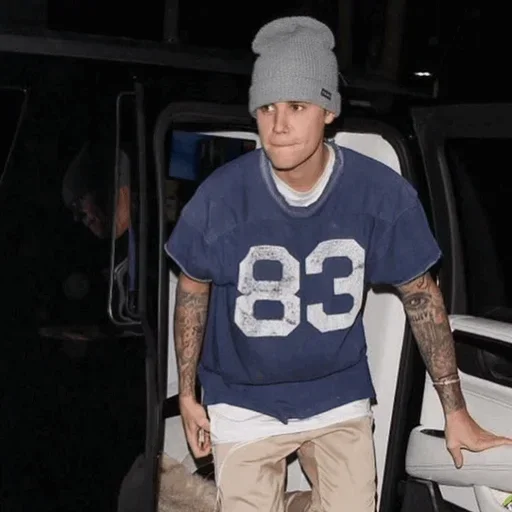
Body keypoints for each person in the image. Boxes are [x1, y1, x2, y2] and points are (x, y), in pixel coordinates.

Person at [165, 16, 512, 512]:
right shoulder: (220, 199)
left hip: (337, 396)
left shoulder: (380, 195)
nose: (278, 125)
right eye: (266, 107)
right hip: (242, 401)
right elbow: (193, 287)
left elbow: (421, 296)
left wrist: (456, 411)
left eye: (297, 106)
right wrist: (188, 392)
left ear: (328, 110)